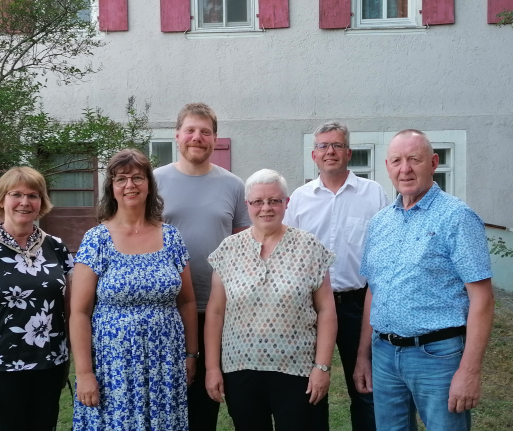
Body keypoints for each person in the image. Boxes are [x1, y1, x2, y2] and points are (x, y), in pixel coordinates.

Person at [353, 130, 495, 431]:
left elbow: (482, 298)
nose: (405, 169)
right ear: (387, 167)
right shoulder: (381, 222)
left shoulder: (456, 217)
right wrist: (363, 356)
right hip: (384, 354)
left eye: (414, 159)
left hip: (437, 357)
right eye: (396, 161)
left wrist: (469, 370)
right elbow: (372, 291)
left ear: (433, 162)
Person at [69, 148, 198, 431]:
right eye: (121, 179)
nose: (130, 185)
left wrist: (191, 354)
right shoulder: (97, 240)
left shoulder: (171, 237)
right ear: (111, 188)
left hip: (165, 361)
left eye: (138, 177)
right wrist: (85, 372)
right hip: (113, 365)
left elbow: (187, 302)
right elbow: (79, 312)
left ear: (149, 185)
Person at [205, 169, 337, 431]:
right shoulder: (228, 250)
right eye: (258, 202)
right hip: (240, 369)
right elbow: (215, 312)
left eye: (274, 200)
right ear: (248, 205)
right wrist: (212, 368)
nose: (266, 208)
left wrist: (322, 366)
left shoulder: (309, 247)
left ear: (286, 203)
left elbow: (326, 310)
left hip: (297, 369)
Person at [283, 121, 387, 431]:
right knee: (311, 389)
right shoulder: (300, 199)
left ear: (348, 153)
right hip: (310, 309)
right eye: (323, 146)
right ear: (314, 155)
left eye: (337, 145)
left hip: (357, 305)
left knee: (365, 386)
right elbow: (287, 251)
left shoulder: (373, 194)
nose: (330, 151)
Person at [153, 102, 250, 431]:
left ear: (215, 139)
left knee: (206, 401)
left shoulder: (234, 186)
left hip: (218, 309)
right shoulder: (153, 183)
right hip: (165, 309)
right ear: (177, 136)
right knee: (165, 399)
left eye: (205, 132)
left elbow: (244, 246)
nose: (197, 137)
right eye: (191, 130)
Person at [0, 166, 73, 431]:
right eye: (16, 194)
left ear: (41, 201)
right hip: (0, 370)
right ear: (1, 200)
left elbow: (72, 312)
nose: (24, 202)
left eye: (33, 195)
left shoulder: (56, 248)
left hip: (50, 366)